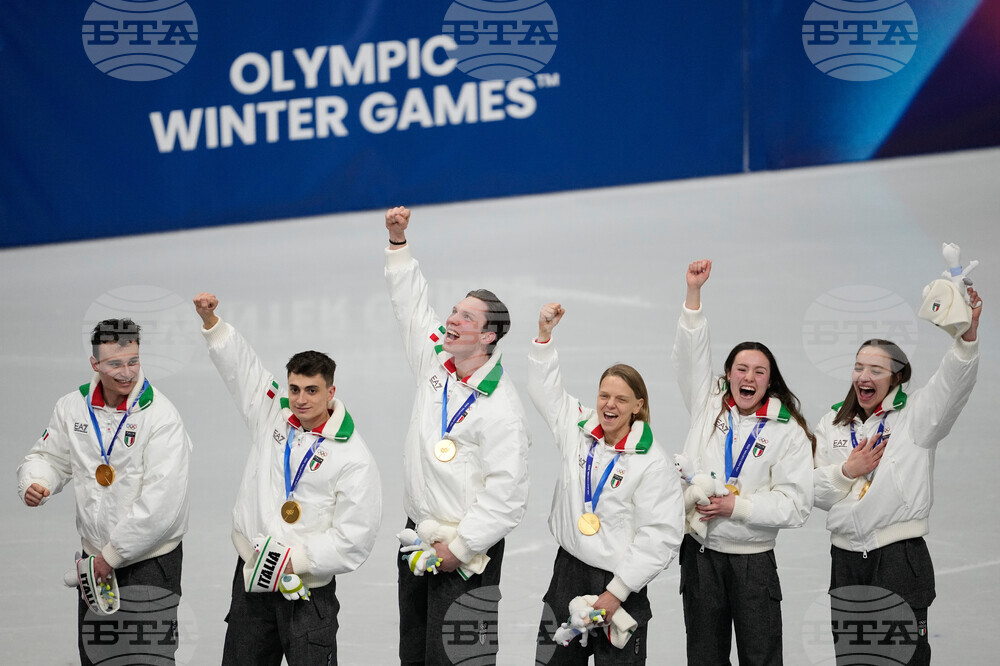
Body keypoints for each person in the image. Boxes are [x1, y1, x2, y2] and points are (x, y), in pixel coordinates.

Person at [193, 293, 381, 666]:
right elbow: (242, 371)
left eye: (312, 390)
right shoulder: (272, 418)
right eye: (294, 389)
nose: (300, 399)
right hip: (252, 582)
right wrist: (213, 324)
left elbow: (355, 539)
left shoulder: (354, 457)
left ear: (331, 392)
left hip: (308, 592)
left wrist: (295, 560)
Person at [383, 206, 531, 665]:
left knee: (460, 660)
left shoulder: (502, 408)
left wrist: (461, 548)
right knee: (416, 652)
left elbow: (507, 495)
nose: (452, 319)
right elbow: (411, 308)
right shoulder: (437, 365)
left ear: (488, 337)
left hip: (467, 553)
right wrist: (398, 244)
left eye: (466, 317)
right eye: (454, 310)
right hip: (419, 537)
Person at [812, 285, 982, 665]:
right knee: (855, 661)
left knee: (902, 660)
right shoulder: (832, 424)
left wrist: (966, 337)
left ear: (897, 377)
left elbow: (952, 385)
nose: (864, 376)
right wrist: (846, 472)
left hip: (898, 559)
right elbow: (816, 493)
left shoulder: (916, 417)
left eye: (876, 369)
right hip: (846, 560)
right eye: (859, 367)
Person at [17, 318, 191, 665]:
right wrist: (38, 481)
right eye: (114, 364)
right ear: (95, 364)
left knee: (146, 659)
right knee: (98, 658)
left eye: (133, 361)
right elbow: (48, 456)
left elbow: (160, 506)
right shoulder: (72, 406)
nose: (126, 372)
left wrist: (107, 559)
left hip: (149, 562)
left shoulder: (161, 417)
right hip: (94, 560)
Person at [672, 260, 814, 665]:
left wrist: (740, 506)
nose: (748, 376)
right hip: (700, 556)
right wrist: (693, 296)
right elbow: (690, 357)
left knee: (761, 658)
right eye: (740, 368)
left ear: (770, 381)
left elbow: (796, 504)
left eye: (759, 371)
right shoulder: (708, 404)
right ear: (729, 375)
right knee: (704, 658)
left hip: (753, 563)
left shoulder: (787, 431)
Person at [528, 302, 685, 663]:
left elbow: (659, 535)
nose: (609, 405)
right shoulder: (578, 428)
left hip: (620, 584)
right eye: (604, 395)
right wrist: (544, 338)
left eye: (621, 399)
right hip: (567, 574)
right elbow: (546, 392)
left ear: (638, 406)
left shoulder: (652, 462)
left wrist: (617, 591)